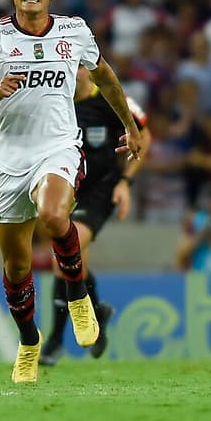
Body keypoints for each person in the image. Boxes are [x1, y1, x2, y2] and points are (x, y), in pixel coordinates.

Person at [0, 0, 143, 383]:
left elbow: (107, 79)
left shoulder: (74, 31)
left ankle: (79, 299)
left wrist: (130, 127)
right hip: (9, 159)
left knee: (55, 216)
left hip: (58, 145)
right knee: (17, 267)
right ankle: (28, 341)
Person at [40, 65, 152, 366]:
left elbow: (144, 135)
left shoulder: (110, 100)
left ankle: (54, 342)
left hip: (101, 190)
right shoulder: (54, 101)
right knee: (76, 262)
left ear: (89, 71)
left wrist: (126, 182)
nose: (73, 74)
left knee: (62, 257)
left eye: (78, 67)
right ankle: (97, 312)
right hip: (67, 188)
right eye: (67, 67)